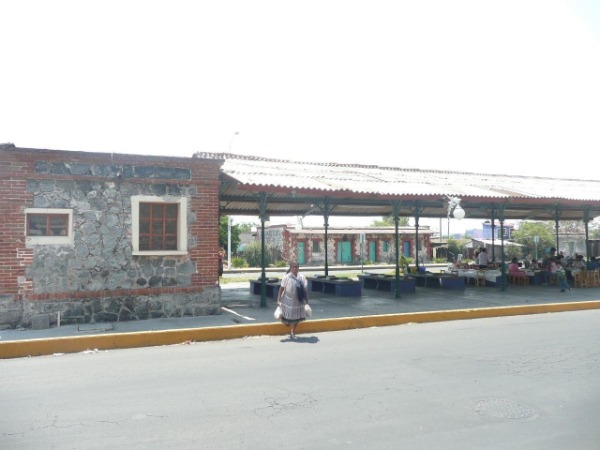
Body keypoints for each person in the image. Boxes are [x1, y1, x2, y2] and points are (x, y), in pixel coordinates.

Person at [277, 261, 309, 339]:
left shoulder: (301, 277)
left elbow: (304, 289)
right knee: (287, 316)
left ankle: (292, 331)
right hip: (287, 300)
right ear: (290, 268)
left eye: (296, 267)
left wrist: (306, 298)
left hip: (298, 300)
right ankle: (286, 322)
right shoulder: (286, 277)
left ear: (298, 268)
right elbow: (281, 288)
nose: (295, 268)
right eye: (293, 267)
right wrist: (279, 298)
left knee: (297, 317)